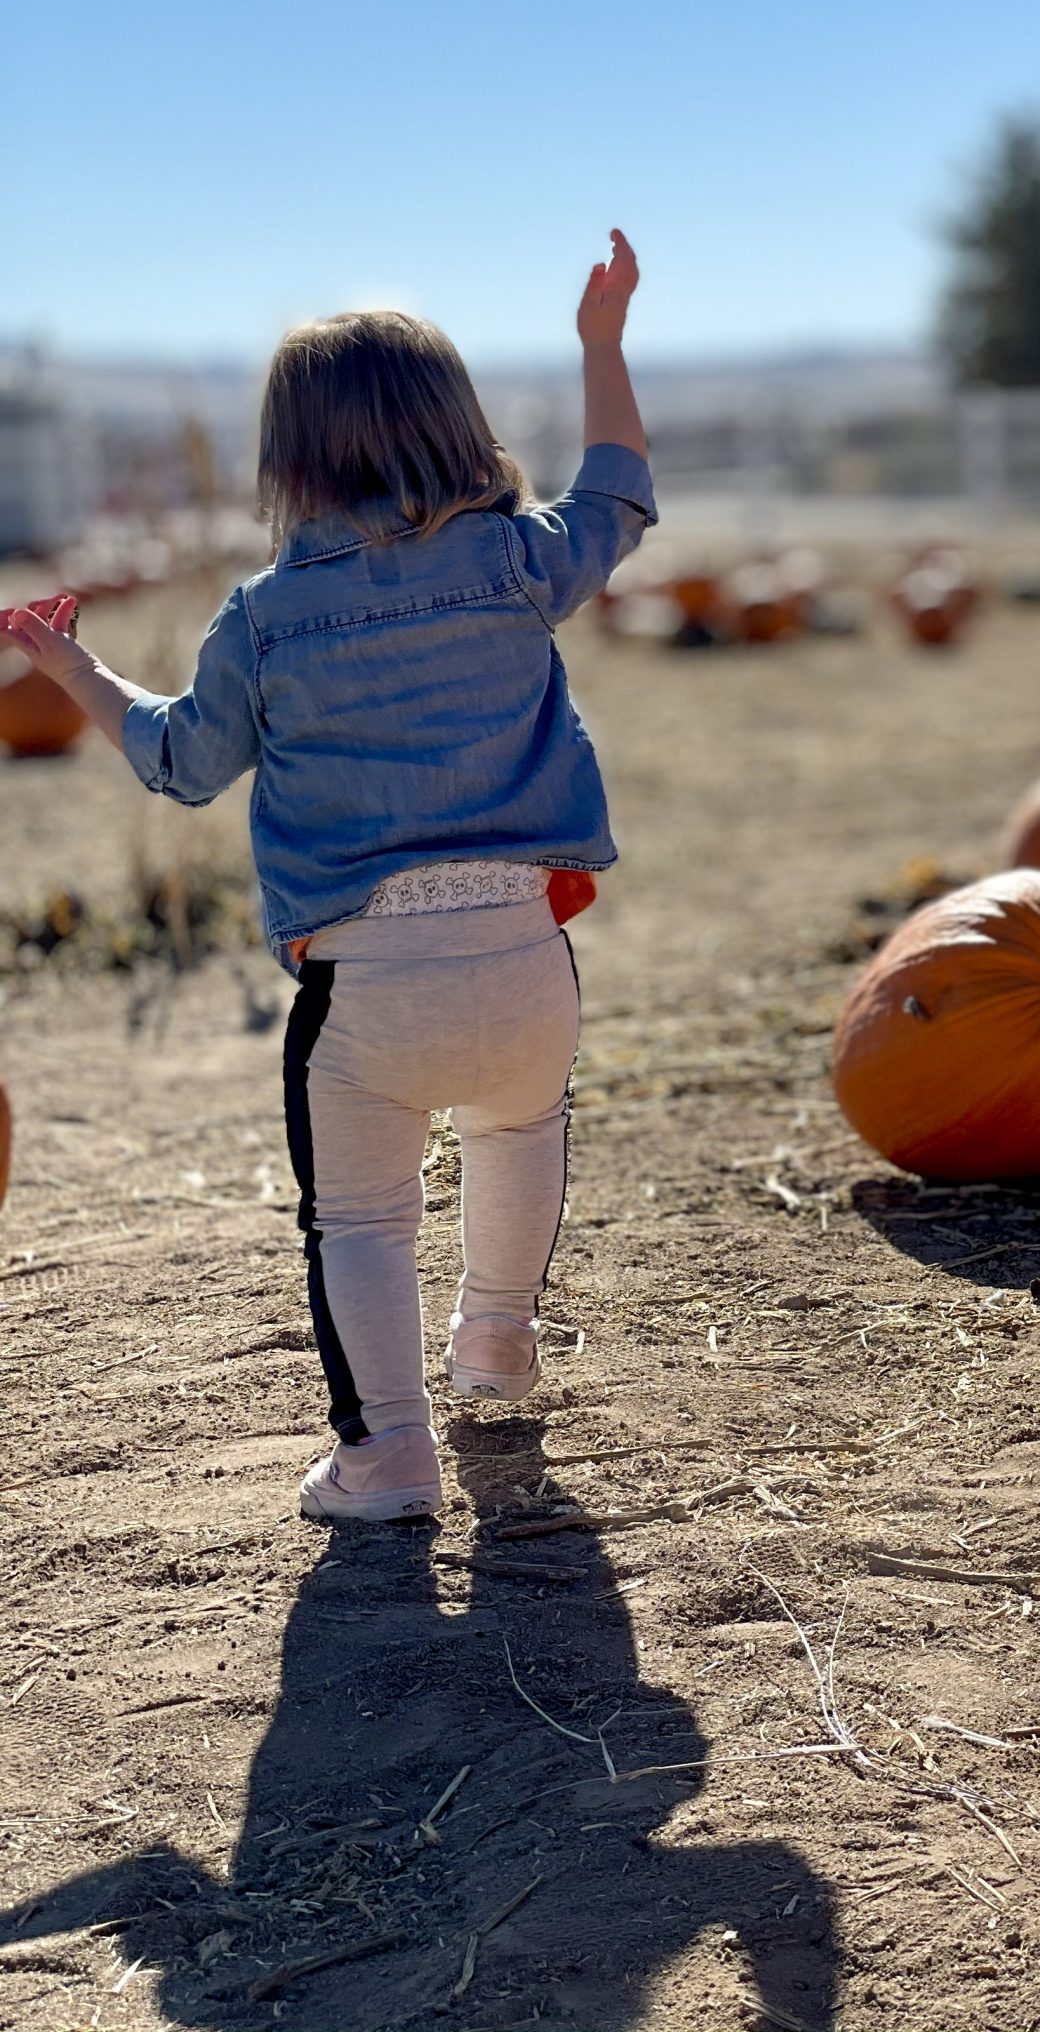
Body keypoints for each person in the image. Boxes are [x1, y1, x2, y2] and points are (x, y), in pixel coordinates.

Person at [1, 232, 654, 1524]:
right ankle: (497, 1342)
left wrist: (75, 674)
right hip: (528, 959)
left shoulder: (262, 620)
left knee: (360, 1221)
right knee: (522, 1131)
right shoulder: (516, 559)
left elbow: (183, 763)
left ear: (285, 464)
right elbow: (620, 496)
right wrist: (600, 346)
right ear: (457, 428)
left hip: (364, 993)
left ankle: (387, 1457)